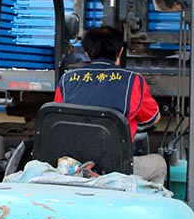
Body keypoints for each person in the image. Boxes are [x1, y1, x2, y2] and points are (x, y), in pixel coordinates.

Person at [54, 26, 167, 184]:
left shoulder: (67, 80)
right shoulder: (133, 81)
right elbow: (153, 118)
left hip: (74, 165)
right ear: (120, 51)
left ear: (87, 53)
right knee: (159, 164)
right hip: (115, 167)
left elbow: (58, 118)